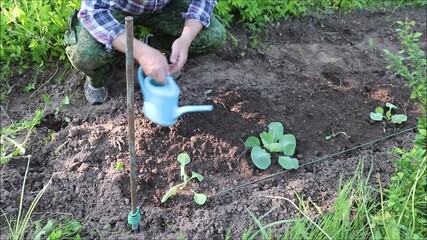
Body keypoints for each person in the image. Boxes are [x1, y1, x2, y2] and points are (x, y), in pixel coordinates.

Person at [64, 0, 226, 105]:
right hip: (116, 8)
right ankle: (97, 79)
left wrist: (186, 38)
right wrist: (141, 53)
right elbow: (93, 12)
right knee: (86, 54)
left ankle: (156, 47)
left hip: (165, 6)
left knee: (212, 36)